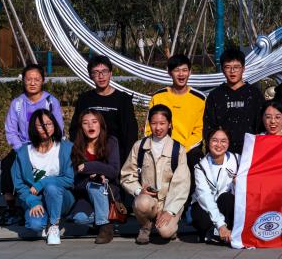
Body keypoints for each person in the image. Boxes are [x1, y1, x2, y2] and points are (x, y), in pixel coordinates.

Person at [0, 63, 65, 226]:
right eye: (29, 79)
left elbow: (58, 128)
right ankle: (12, 207)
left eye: (37, 79)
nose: (33, 83)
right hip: (23, 147)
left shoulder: (51, 102)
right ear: (23, 81)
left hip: (46, 147)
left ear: (43, 80)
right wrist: (22, 150)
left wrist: (46, 146)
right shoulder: (17, 103)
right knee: (7, 164)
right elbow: (11, 130)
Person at [122, 105, 193, 245]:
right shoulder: (140, 146)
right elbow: (127, 174)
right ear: (149, 124)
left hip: (170, 201)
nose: (158, 128)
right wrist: (138, 190)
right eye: (154, 123)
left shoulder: (178, 149)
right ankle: (145, 226)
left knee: (165, 232)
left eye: (162, 123)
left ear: (169, 124)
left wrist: (169, 210)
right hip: (149, 201)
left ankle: (169, 224)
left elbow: (181, 184)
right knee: (141, 202)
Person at [10, 108, 74, 245]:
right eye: (40, 125)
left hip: (62, 197)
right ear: (33, 128)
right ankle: (45, 221)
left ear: (54, 125)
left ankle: (54, 225)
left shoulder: (66, 148)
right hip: (37, 198)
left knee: (51, 187)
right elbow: (19, 184)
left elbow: (69, 179)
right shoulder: (23, 152)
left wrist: (42, 183)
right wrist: (33, 202)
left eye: (49, 124)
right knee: (35, 225)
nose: (45, 128)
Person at [69, 56, 139, 161]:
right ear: (90, 76)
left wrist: (127, 161)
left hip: (116, 157)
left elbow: (130, 133)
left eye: (104, 71)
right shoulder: (84, 99)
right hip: (89, 157)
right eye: (96, 72)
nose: (101, 76)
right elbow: (75, 129)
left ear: (110, 73)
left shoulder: (123, 100)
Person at [69, 110, 121, 244]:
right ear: (81, 127)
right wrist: (91, 178)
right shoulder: (76, 146)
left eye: (94, 122)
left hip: (107, 190)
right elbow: (75, 179)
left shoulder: (111, 141)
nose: (90, 126)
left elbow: (113, 171)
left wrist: (89, 167)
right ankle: (102, 219)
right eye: (85, 123)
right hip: (85, 194)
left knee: (96, 186)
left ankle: (105, 226)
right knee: (79, 219)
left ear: (100, 124)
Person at [203, 48, 264, 154]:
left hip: (251, 150)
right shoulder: (215, 95)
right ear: (222, 69)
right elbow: (209, 127)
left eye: (236, 67)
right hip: (223, 152)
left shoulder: (255, 94)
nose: (232, 71)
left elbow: (262, 125)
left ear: (243, 68)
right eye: (228, 67)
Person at [188, 128, 239, 245]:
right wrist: (221, 225)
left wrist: (238, 184)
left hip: (225, 204)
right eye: (215, 140)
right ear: (208, 142)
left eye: (223, 141)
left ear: (229, 143)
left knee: (227, 198)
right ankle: (219, 231)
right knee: (201, 220)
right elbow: (205, 197)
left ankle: (215, 234)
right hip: (207, 204)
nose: (219, 145)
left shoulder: (237, 160)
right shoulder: (200, 167)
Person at [145, 54, 206, 150]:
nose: (181, 74)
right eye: (176, 70)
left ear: (190, 72)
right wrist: (163, 147)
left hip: (188, 150)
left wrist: (181, 149)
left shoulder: (199, 99)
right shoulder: (158, 97)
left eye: (184, 70)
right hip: (160, 148)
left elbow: (199, 131)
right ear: (170, 72)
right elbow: (149, 128)